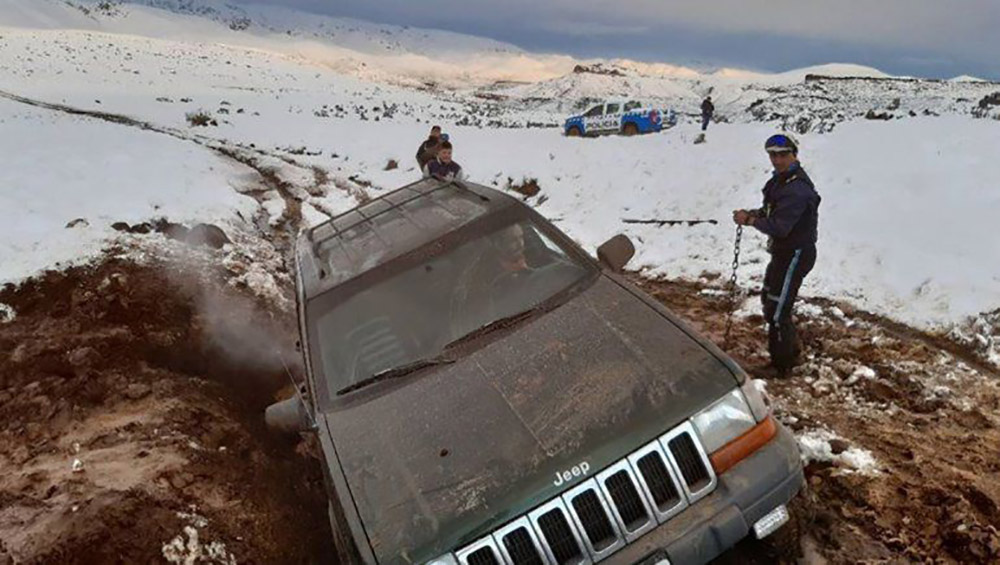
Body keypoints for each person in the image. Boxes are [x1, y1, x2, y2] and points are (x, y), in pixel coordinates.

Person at [732, 133, 821, 373]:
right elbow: (771, 211)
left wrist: (750, 220)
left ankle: (783, 365)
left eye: (783, 155)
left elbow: (780, 227)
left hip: (795, 253)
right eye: (773, 155)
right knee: (771, 301)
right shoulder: (780, 182)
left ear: (794, 155)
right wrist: (754, 214)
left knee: (779, 308)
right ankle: (790, 350)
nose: (777, 160)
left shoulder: (797, 189)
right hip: (783, 253)